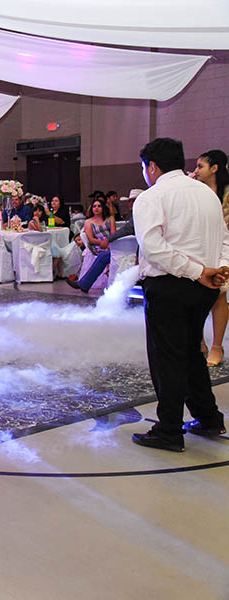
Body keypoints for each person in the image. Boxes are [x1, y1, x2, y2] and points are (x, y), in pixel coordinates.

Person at [131, 138, 229, 452]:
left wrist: (196, 270)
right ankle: (208, 417)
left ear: (152, 166)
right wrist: (220, 269)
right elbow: (224, 237)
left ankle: (169, 430)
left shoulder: (151, 197)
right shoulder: (207, 193)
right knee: (189, 352)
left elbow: (154, 248)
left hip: (170, 286)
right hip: (204, 287)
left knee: (167, 358)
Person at [194, 149, 229, 366]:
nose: (196, 171)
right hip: (199, 247)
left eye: (200, 166)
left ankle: (217, 345)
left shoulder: (226, 193)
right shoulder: (195, 191)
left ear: (214, 168)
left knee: (219, 295)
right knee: (194, 295)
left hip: (223, 247)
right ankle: (199, 341)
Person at [65, 198, 115, 292]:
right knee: (102, 254)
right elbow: (91, 239)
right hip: (98, 245)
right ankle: (84, 283)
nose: (96, 208)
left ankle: (84, 284)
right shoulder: (88, 222)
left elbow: (113, 234)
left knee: (109, 252)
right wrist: (102, 243)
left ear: (103, 208)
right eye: (94, 206)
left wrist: (108, 242)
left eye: (99, 206)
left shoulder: (110, 219)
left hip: (111, 244)